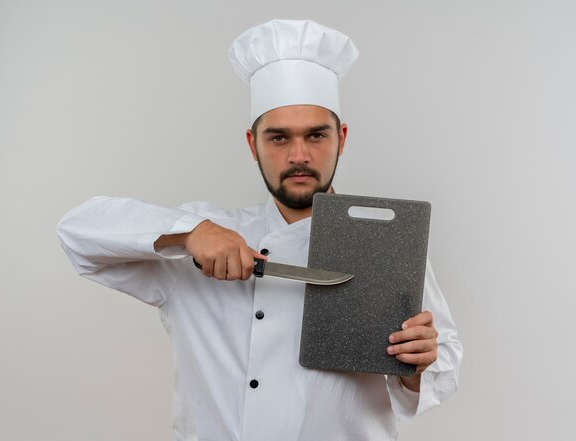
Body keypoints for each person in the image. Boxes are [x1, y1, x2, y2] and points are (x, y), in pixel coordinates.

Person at [57, 19, 462, 441]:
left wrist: (418, 364)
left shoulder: (384, 247)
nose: (299, 155)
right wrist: (188, 233)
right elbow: (78, 232)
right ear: (253, 144)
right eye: (279, 138)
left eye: (316, 135)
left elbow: (446, 361)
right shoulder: (197, 241)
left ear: (341, 138)